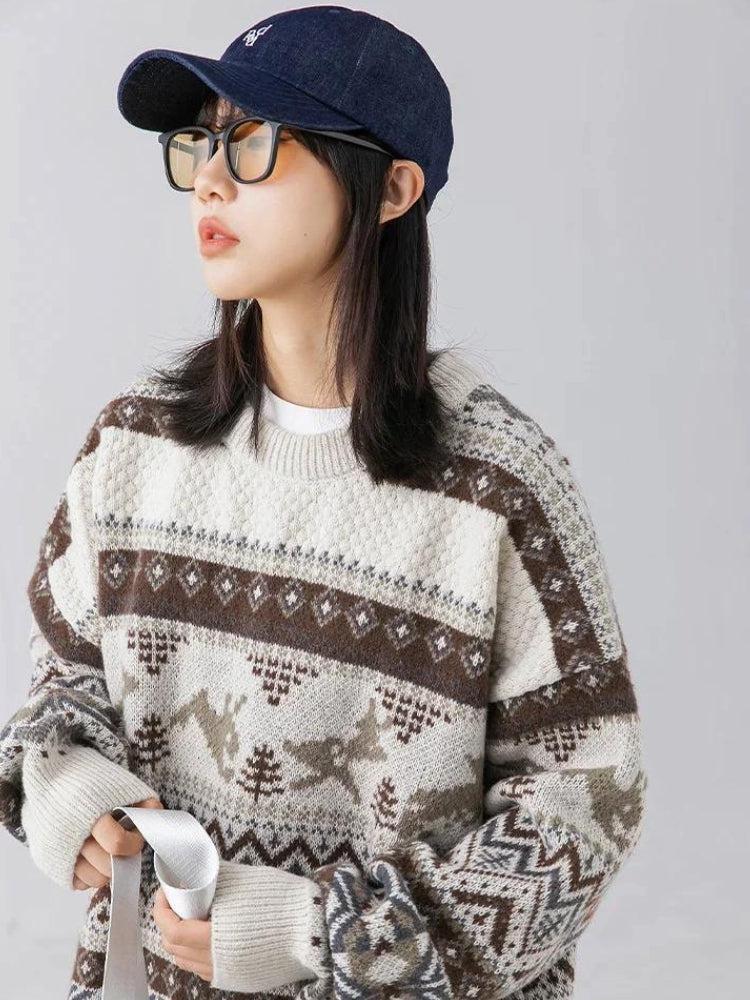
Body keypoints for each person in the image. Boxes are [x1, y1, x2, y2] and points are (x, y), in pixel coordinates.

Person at [0, 5, 647, 998]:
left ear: (392, 188)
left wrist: (329, 937)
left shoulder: (497, 489)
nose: (210, 179)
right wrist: (73, 792)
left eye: (258, 142)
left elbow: (586, 806)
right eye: (202, 142)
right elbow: (63, 681)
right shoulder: (134, 447)